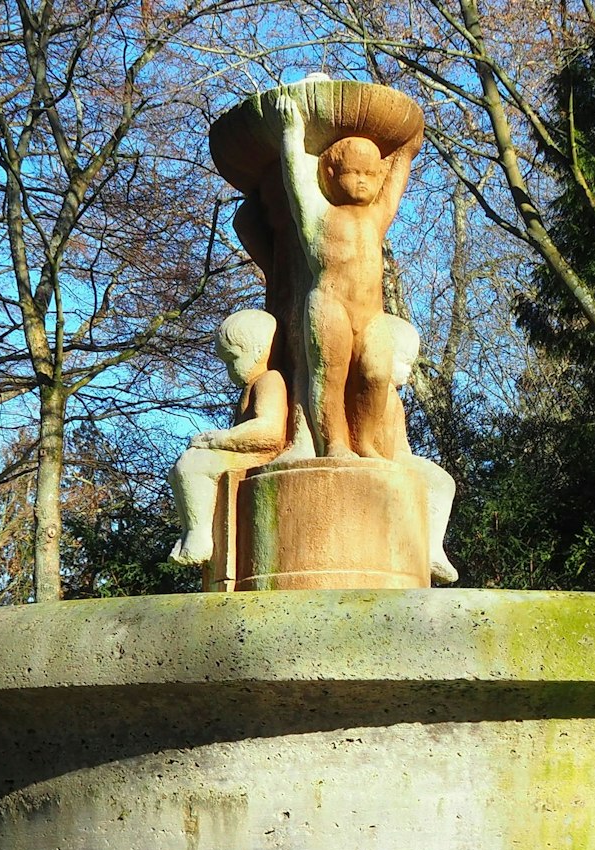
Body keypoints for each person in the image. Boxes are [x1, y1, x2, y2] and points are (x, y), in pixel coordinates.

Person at [273, 87, 421, 459]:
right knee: (330, 376)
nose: (362, 181)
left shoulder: (376, 216)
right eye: (353, 172)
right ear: (331, 171)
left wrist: (407, 149)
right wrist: (293, 132)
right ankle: (336, 443)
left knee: (376, 372)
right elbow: (297, 185)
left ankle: (365, 440)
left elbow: (395, 186)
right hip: (330, 305)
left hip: (371, 314)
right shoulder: (319, 217)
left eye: (370, 174)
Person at [167, 310, 287, 565]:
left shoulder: (270, 380)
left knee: (193, 465)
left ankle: (199, 538)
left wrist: (217, 440)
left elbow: (270, 430)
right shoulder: (249, 388)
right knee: (181, 467)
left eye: (232, 359)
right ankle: (192, 530)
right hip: (243, 454)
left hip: (258, 456)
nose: (229, 369)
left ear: (257, 349)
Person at [357, 313, 458, 584]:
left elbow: (401, 443)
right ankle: (431, 549)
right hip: (383, 458)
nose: (409, 372)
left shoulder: (390, 397)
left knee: (439, 481)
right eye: (405, 362)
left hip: (397, 457)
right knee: (441, 482)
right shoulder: (376, 392)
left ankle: (431, 547)